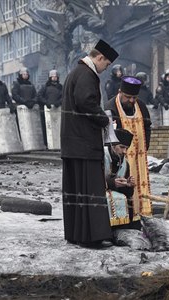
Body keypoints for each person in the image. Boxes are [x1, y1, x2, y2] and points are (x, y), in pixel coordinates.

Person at [61, 39, 119, 248]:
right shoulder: (87, 74)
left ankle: (77, 234)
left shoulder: (76, 72)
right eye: (107, 64)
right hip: (84, 145)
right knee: (90, 190)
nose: (106, 69)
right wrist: (104, 119)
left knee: (76, 190)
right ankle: (91, 236)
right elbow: (86, 102)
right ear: (99, 57)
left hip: (73, 144)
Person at [105, 76, 153, 221]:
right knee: (126, 183)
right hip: (121, 156)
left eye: (134, 97)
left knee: (141, 184)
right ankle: (129, 217)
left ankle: (143, 215)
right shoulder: (110, 107)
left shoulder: (141, 106)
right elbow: (108, 135)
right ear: (120, 92)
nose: (132, 101)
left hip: (140, 155)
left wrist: (145, 146)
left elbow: (147, 126)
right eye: (128, 97)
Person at [104, 128, 137, 229]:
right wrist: (112, 183)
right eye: (122, 147)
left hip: (116, 195)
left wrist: (129, 185)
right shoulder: (101, 156)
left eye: (126, 148)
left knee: (129, 201)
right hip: (99, 194)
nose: (125, 151)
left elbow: (128, 193)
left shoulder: (125, 164)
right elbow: (92, 181)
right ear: (113, 145)